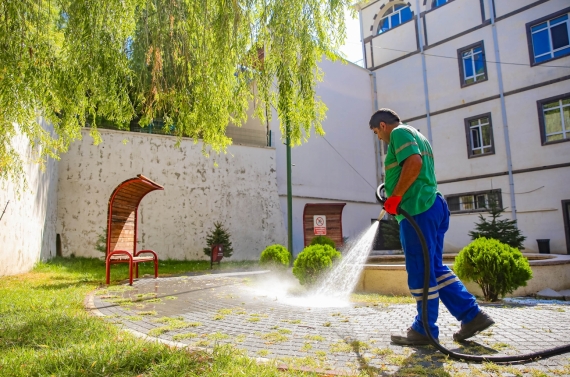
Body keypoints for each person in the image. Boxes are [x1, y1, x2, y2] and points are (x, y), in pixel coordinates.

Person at [369, 108, 494, 345]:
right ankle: (472, 315)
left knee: (420, 269)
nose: (379, 137)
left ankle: (424, 329)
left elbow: (414, 164)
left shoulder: (399, 133)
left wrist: (395, 197)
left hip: (417, 209)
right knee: (434, 268)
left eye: (377, 132)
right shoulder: (417, 135)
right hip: (432, 204)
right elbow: (414, 166)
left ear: (383, 125)